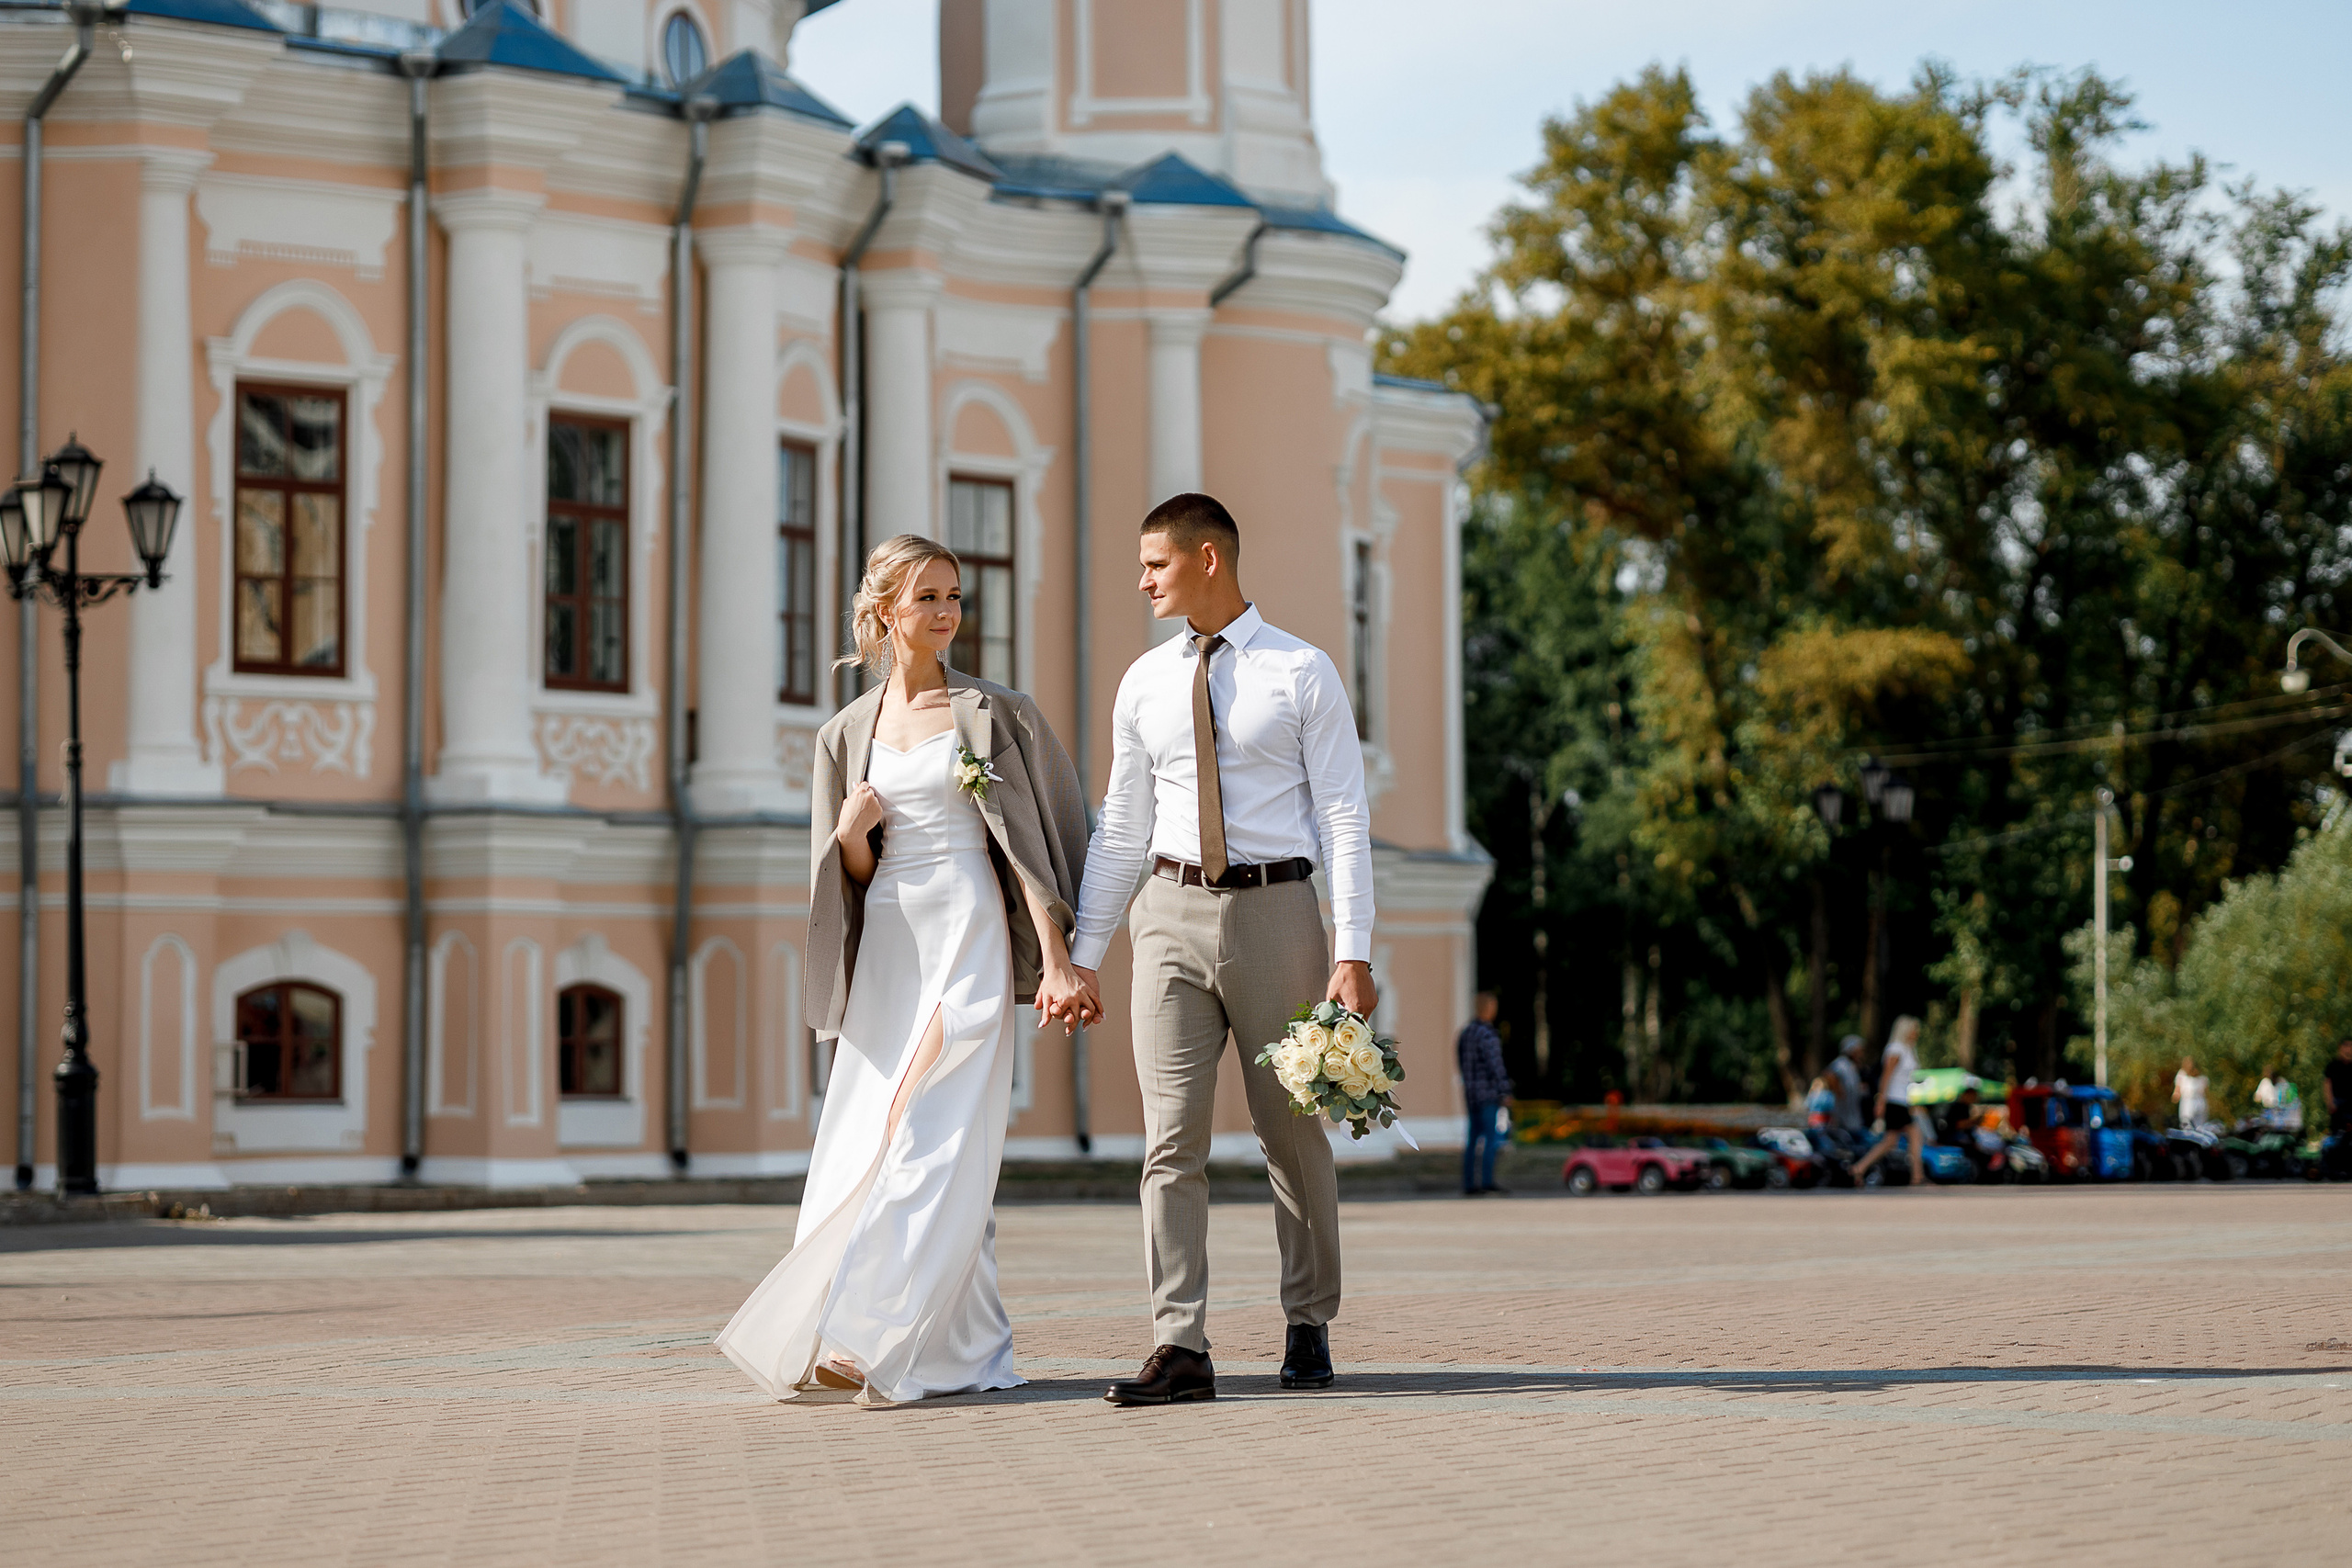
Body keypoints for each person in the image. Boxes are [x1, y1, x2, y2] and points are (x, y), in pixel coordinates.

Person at [716, 536, 1092, 1407]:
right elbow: (844, 875)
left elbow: (1029, 851)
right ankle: (947, 1338)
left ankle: (870, 1331)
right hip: (888, 941)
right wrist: (851, 835)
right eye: (927, 595)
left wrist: (1060, 964)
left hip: (969, 931)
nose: (947, 610)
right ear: (886, 609)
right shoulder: (846, 732)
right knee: (868, 1135)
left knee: (931, 1130)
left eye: (954, 594)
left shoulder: (996, 713)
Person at [1070, 493, 1374, 1405]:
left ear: (1208, 559)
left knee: (1289, 1130)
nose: (1142, 581)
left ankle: (1308, 1317)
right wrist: (1086, 952)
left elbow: (1343, 814)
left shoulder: (1300, 672)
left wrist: (1352, 948)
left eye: (1155, 564)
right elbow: (1122, 822)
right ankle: (1180, 1345)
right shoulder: (1143, 682)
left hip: (1275, 911)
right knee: (1169, 1139)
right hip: (1164, 917)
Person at [1849, 1017, 1928, 1187]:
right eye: (1914, 1029)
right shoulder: (1896, 1049)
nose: (1917, 1033)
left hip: (1902, 1100)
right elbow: (1886, 1076)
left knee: (1890, 1141)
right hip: (1894, 1100)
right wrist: (1881, 1101)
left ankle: (1859, 1168)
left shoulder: (1908, 1049)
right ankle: (1917, 1176)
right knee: (1914, 1135)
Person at [1456, 992, 1512, 1196]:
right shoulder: (1488, 1034)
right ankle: (1487, 1180)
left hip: (1471, 1093)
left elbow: (1461, 1062)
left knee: (1472, 1139)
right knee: (1491, 1138)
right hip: (1488, 1093)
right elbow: (1495, 1065)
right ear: (1488, 1009)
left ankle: (1469, 1183)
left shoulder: (1466, 1033)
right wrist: (1505, 1090)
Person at [1826, 1035, 1869, 1142]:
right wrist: (1839, 1091)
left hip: (1853, 1112)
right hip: (1844, 1112)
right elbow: (1830, 1075)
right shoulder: (1841, 1063)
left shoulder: (1852, 1065)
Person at [2256, 1066, 2303, 1132]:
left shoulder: (2284, 1083)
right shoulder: (2265, 1083)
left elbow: (2289, 1100)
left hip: (2280, 1113)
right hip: (2268, 1112)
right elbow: (2257, 1097)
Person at [2173, 1056, 2210, 1129]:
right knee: (2186, 1124)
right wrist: (2176, 1095)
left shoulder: (2202, 1078)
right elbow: (2177, 1090)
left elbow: (2206, 1093)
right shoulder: (2181, 1075)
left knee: (2200, 1126)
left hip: (2199, 1101)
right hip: (2187, 1101)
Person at [2325, 1039, 2352, 1134]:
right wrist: (2330, 1102)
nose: (2348, 1049)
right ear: (2340, 1048)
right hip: (2337, 1104)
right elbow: (2327, 1084)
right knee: (2337, 1132)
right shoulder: (2333, 1066)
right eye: (2346, 1046)